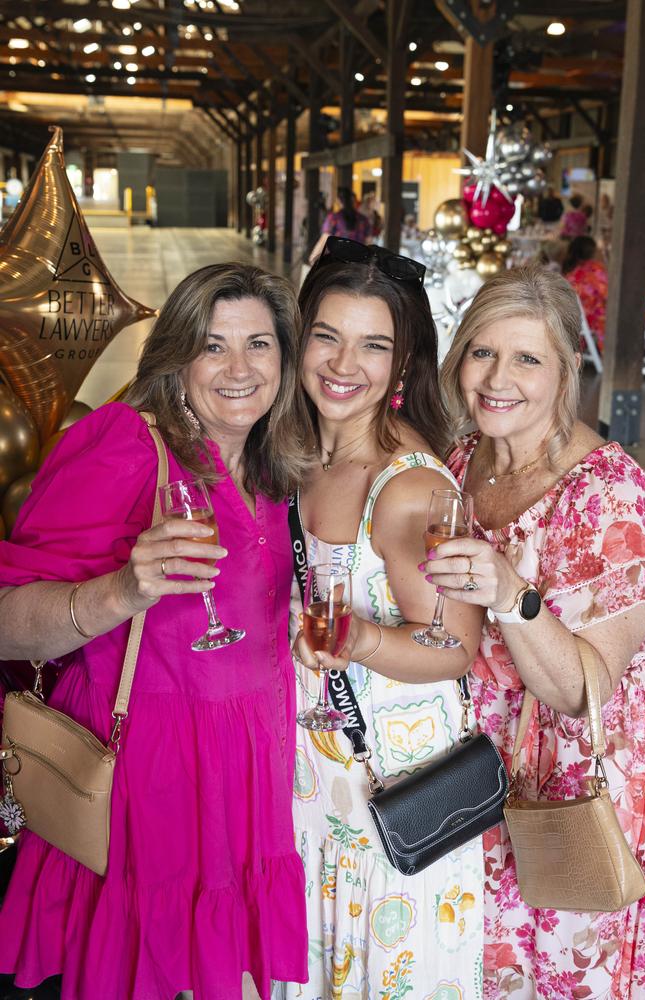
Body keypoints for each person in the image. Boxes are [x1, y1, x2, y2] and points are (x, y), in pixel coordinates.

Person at [0, 264, 310, 1000]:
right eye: (213, 346)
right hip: (148, 778)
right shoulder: (127, 446)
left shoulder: (276, 464)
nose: (240, 369)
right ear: (176, 360)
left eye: (259, 345)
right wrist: (121, 590)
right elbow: (8, 619)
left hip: (247, 776)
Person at [422, 265, 645, 999]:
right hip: (472, 779)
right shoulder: (464, 459)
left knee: (551, 974)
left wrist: (512, 595)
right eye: (482, 352)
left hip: (563, 790)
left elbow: (583, 689)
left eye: (527, 359)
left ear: (566, 371)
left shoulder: (610, 492)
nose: (498, 378)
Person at [278, 236, 485, 998]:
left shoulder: (407, 486)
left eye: (372, 346)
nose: (342, 364)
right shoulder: (293, 459)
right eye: (326, 336)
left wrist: (359, 638)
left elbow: (455, 646)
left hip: (389, 806)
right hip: (308, 793)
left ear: (401, 367)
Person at [563, 235, 608, 352]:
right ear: (593, 252)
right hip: (597, 319)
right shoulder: (595, 270)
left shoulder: (571, 274)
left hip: (578, 322)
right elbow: (608, 295)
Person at [308, 187, 371, 265]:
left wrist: (312, 258)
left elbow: (324, 240)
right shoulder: (363, 220)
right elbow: (368, 243)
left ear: (338, 201)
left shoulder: (334, 218)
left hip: (338, 264)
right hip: (359, 264)